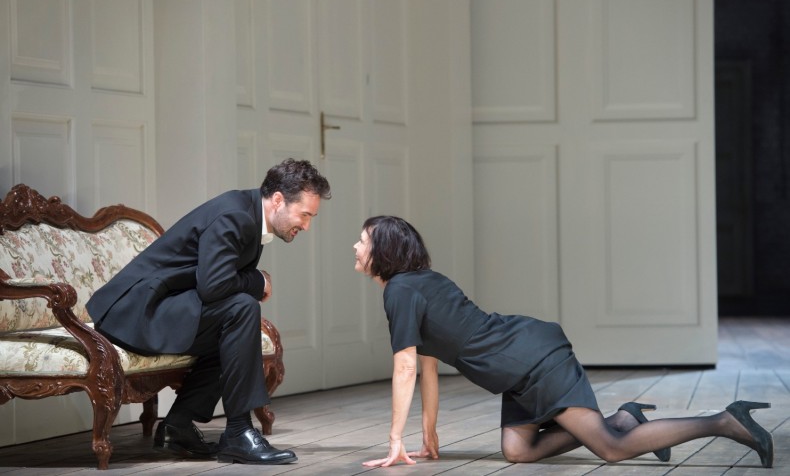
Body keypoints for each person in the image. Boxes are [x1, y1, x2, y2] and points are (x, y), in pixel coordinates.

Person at [352, 215, 774, 469]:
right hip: (516, 369)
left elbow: (405, 366)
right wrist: (429, 436)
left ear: (383, 251)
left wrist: (395, 440)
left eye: (364, 240)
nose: (356, 246)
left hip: (533, 360)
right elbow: (426, 366)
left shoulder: (400, 291)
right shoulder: (419, 283)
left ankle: (724, 421)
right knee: (518, 451)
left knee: (610, 449)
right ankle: (625, 419)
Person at [87, 158, 331, 465]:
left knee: (235, 322)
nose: (306, 226)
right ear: (279, 200)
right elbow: (214, 286)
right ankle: (239, 433)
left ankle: (178, 425)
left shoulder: (248, 214)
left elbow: (217, 285)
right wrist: (258, 281)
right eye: (304, 215)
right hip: (135, 314)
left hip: (159, 306)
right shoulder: (235, 215)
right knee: (242, 309)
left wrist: (252, 282)